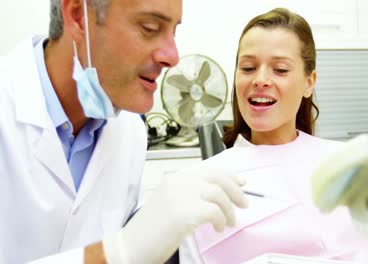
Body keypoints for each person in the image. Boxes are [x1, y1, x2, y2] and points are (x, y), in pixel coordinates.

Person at [0, 0, 248, 263]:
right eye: (150, 27)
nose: (173, 57)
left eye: (173, 31)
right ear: (77, 16)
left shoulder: (129, 129)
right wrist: (119, 251)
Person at [179, 8, 368, 264]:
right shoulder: (203, 183)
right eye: (248, 67)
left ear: (309, 83)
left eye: (280, 70)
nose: (260, 79)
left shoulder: (346, 163)